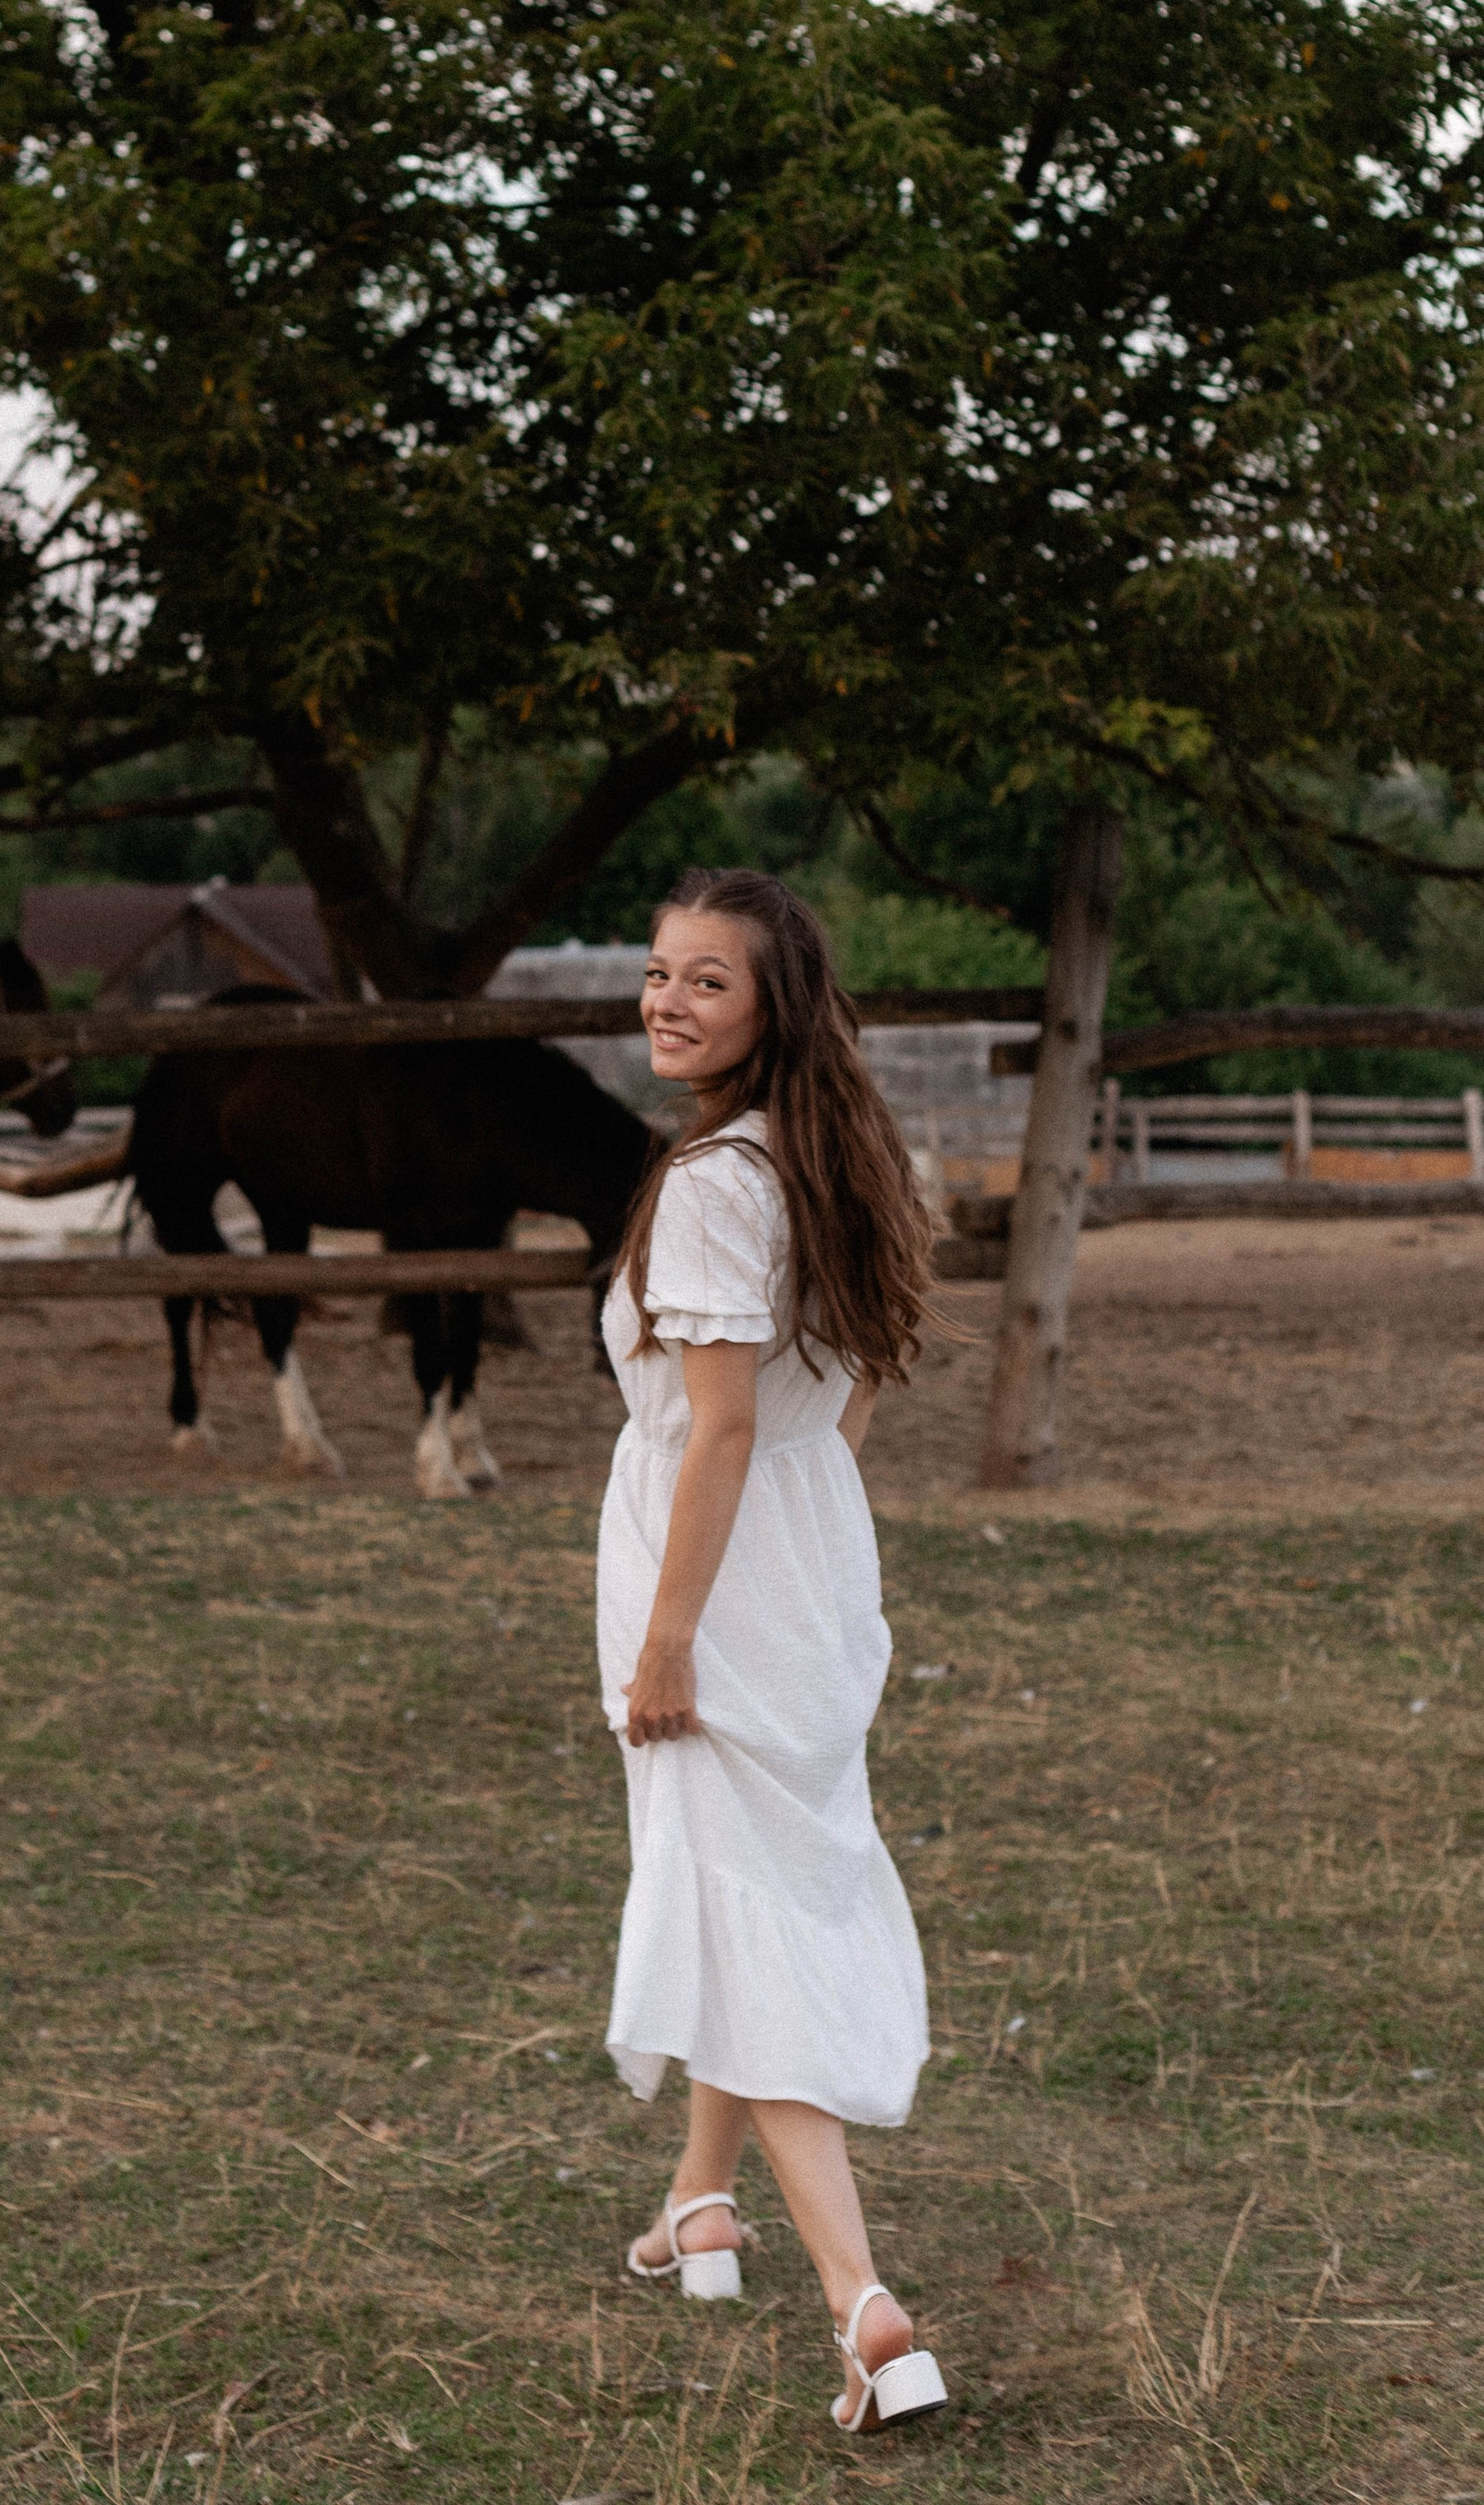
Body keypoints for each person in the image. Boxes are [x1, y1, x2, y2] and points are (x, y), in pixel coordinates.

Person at [596, 867, 945, 2436]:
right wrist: (809, 1503)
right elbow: (848, 1390)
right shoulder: (834, 1158)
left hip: (718, 1570)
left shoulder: (715, 1186)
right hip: (808, 1554)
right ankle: (699, 2206)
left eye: (707, 981)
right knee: (748, 1879)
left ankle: (866, 2317)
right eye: (661, 974)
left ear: (771, 1006)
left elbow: (720, 1428)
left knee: (746, 1911)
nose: (669, 1000)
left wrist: (671, 1638)